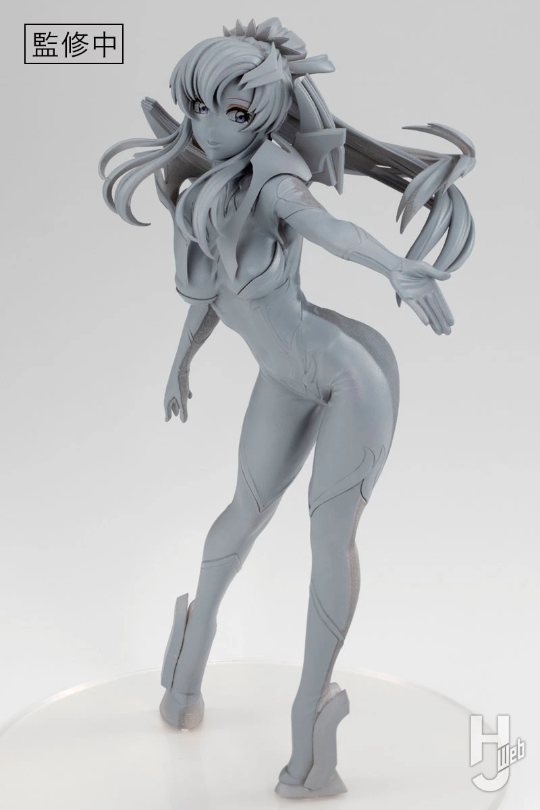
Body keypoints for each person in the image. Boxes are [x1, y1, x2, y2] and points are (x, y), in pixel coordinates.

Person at [99, 17, 475, 799]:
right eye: (199, 106)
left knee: (326, 538)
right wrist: (180, 359)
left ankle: (312, 723)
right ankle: (186, 664)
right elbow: (212, 290)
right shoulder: (207, 190)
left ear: (267, 114)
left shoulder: (275, 179)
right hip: (283, 377)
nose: (211, 125)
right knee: (240, 515)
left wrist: (395, 267)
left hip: (347, 379)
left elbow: (330, 228)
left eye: (235, 111)